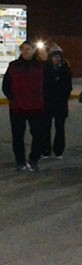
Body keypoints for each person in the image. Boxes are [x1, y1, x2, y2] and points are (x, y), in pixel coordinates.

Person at [2, 40, 47, 171]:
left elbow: (48, 84)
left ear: (34, 51)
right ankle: (20, 161)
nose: (26, 52)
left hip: (36, 107)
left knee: (38, 134)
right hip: (18, 107)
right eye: (23, 49)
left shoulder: (40, 66)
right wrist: (13, 98)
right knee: (17, 135)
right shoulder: (13, 66)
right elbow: (6, 85)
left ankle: (34, 159)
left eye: (28, 49)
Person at [43, 44, 73, 159]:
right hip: (47, 103)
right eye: (54, 56)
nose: (56, 59)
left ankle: (59, 151)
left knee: (60, 128)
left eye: (58, 56)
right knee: (46, 128)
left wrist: (63, 96)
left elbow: (68, 86)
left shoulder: (65, 68)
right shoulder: (45, 68)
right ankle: (46, 150)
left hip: (60, 104)